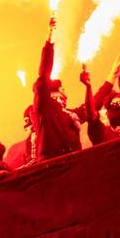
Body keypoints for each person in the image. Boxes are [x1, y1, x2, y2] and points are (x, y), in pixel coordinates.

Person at [31, 16, 85, 159]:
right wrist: (50, 39)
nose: (65, 94)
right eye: (61, 92)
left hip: (75, 165)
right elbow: (43, 76)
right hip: (52, 167)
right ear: (51, 95)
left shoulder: (71, 114)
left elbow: (95, 103)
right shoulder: (44, 109)